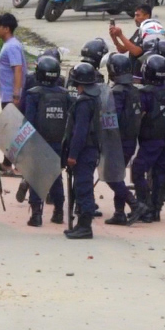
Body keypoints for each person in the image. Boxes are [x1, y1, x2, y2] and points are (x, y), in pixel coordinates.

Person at [18, 55, 71, 227]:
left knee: (36, 176)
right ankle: (58, 212)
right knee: (56, 177)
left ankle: (36, 214)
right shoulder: (65, 95)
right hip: (58, 141)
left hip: (37, 141)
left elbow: (29, 120)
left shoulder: (33, 94)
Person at [130, 53, 165, 224]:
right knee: (160, 172)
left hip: (151, 140)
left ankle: (145, 205)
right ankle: (156, 209)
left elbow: (138, 115)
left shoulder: (145, 93)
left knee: (137, 170)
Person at [61, 60, 103, 239]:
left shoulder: (84, 103)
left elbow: (80, 132)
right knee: (81, 186)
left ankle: (85, 226)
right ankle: (81, 224)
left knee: (83, 187)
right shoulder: (95, 98)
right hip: (91, 150)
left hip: (85, 151)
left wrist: (72, 155)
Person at [102, 52, 139, 225]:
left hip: (118, 141)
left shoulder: (116, 92)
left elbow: (110, 118)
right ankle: (119, 212)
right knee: (118, 175)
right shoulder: (134, 90)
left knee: (111, 176)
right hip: (131, 140)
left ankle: (134, 204)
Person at [0, 13, 25, 109]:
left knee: (12, 124)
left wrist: (16, 96)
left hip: (11, 99)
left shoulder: (12, 46)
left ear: (6, 29)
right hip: (7, 97)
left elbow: (18, 69)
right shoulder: (9, 44)